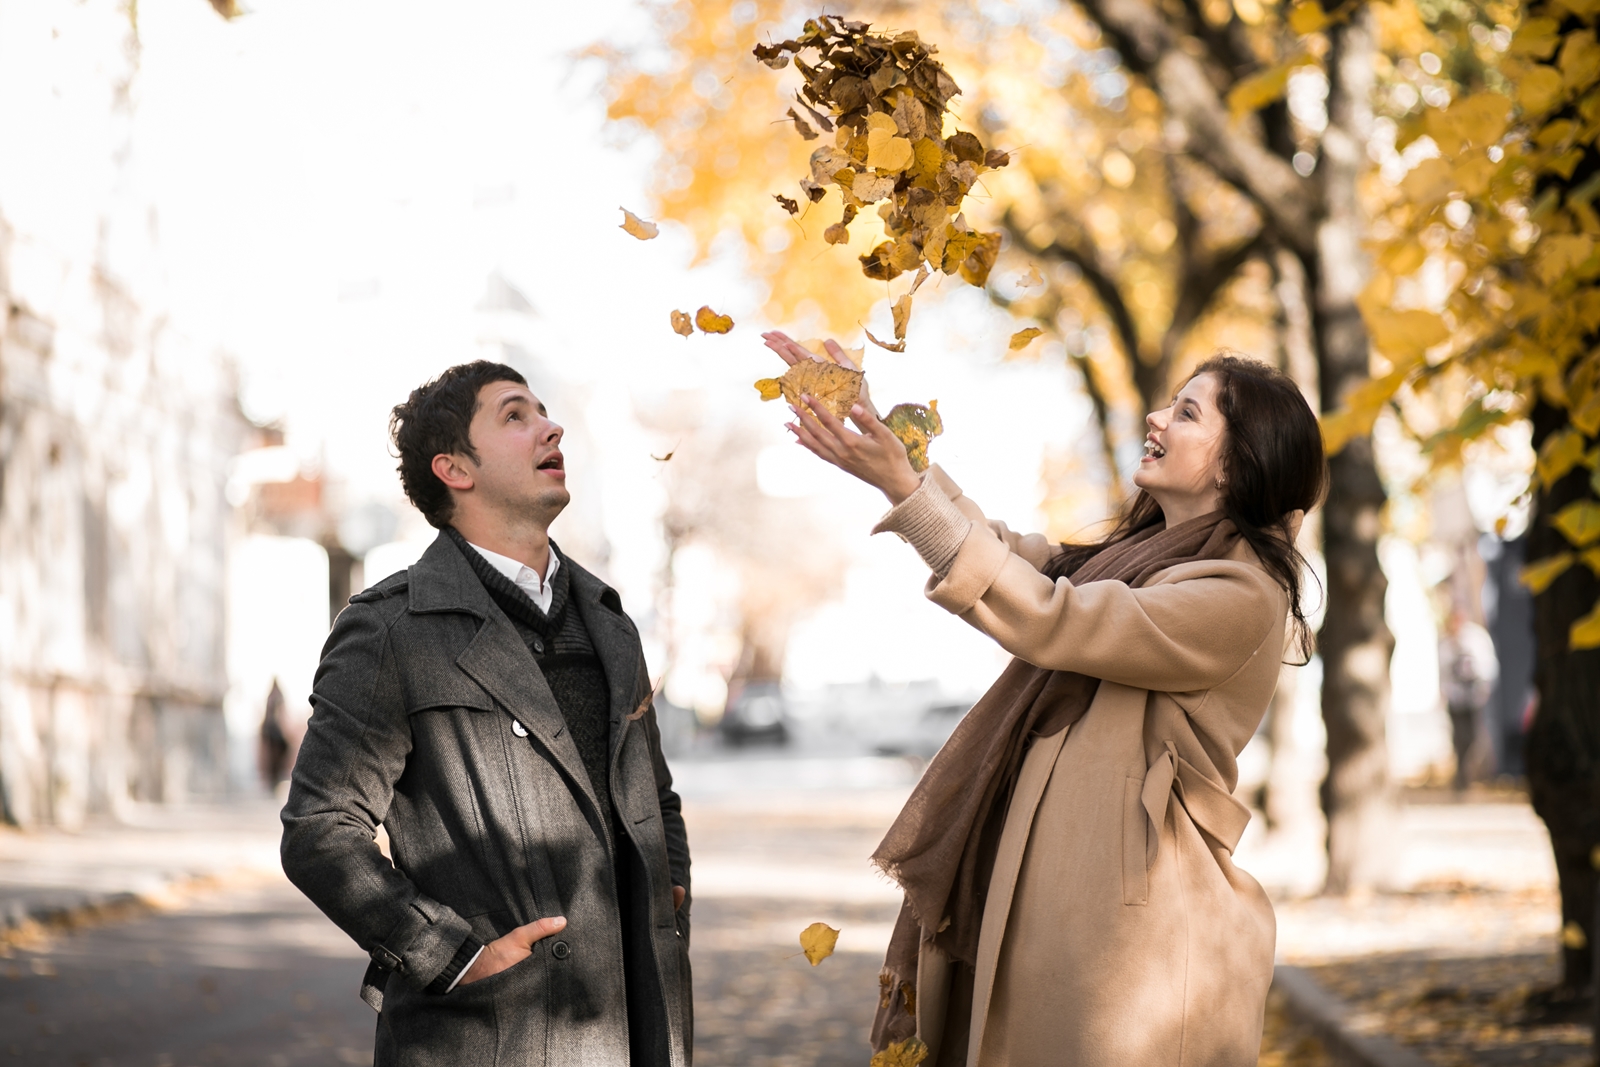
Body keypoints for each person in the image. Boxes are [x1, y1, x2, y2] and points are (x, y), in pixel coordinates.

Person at [767, 331, 1324, 1067]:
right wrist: (897, 456)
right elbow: (1016, 557)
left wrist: (904, 486)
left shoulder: (1239, 594)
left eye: (1187, 413)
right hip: (1064, 909)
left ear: (1238, 464)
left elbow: (1050, 616)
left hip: (1131, 944)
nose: (1156, 418)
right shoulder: (1139, 560)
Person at [280, 361, 692, 1067]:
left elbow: (654, 793)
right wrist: (451, 954)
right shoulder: (391, 628)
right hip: (492, 1033)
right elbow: (319, 830)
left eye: (542, 410)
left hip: (639, 1024)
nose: (550, 426)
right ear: (455, 470)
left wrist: (669, 898)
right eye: (514, 416)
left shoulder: (608, 620)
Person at [1437, 606, 1498, 791]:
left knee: (1472, 736)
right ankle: (1461, 778)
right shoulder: (1446, 642)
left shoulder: (1476, 639)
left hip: (1474, 698)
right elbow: (1442, 672)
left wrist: (1483, 688)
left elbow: (1488, 665)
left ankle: (1469, 772)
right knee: (1458, 737)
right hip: (1455, 698)